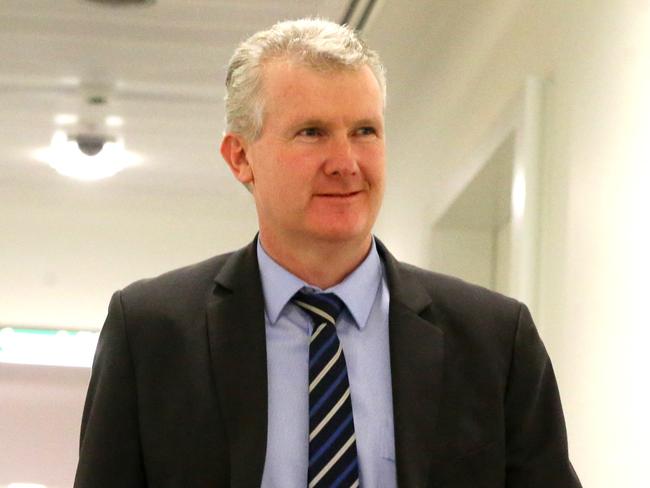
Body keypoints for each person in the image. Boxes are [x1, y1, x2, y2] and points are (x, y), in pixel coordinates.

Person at [74, 18, 581, 488]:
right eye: (312, 132)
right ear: (240, 157)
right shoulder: (150, 332)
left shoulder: (495, 339)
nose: (346, 163)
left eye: (365, 131)